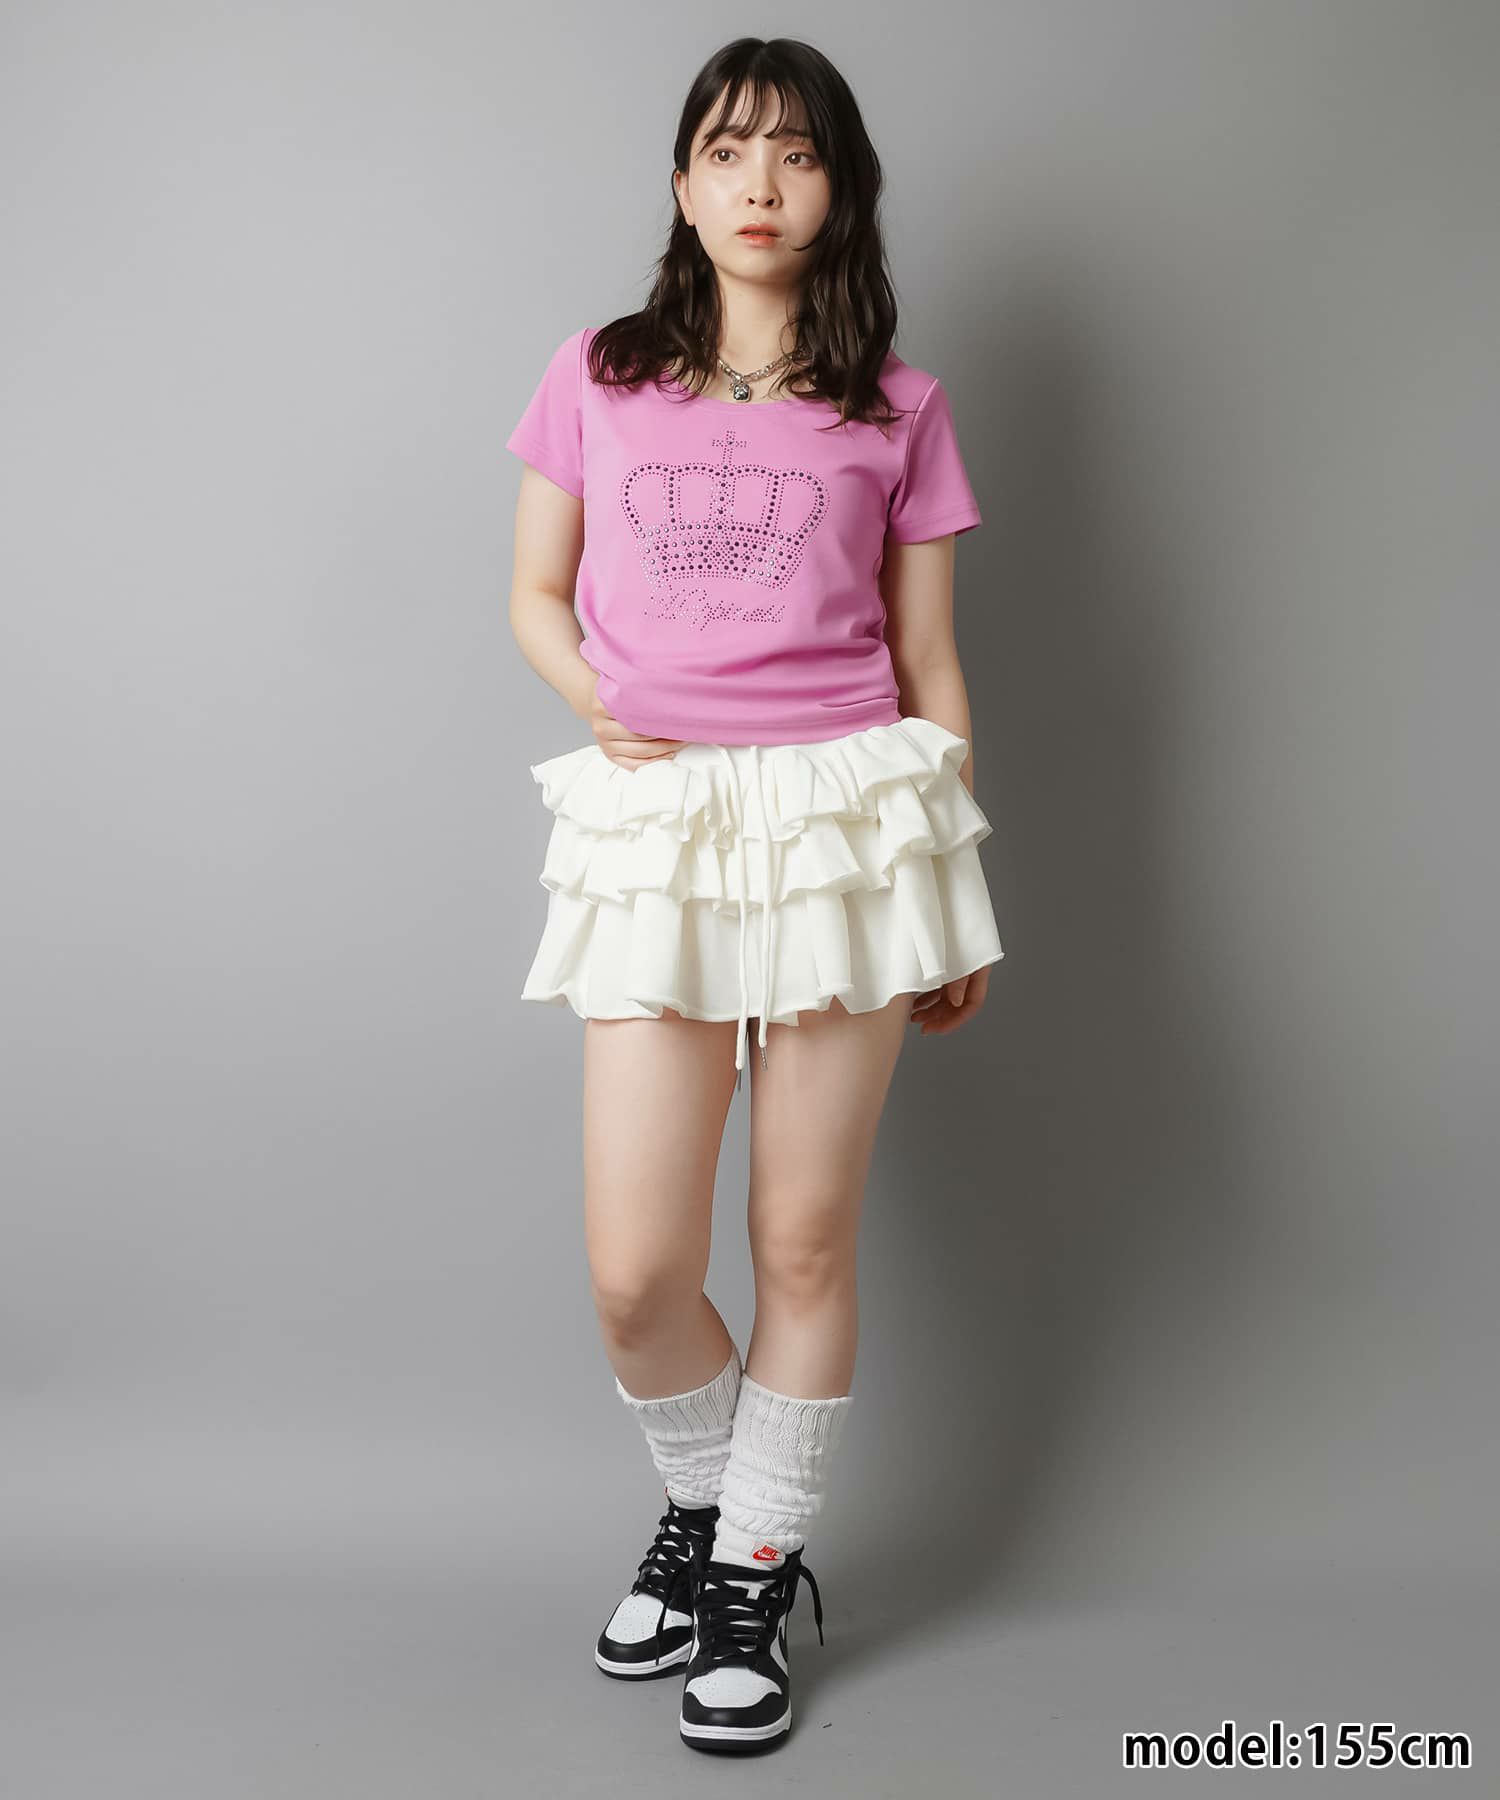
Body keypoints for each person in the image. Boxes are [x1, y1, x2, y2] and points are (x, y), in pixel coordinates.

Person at [505, 36, 1005, 1756]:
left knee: (799, 1235)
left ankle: (750, 1571)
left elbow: (932, 663)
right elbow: (533, 592)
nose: (760, 184)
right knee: (638, 1269)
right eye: (728, 150)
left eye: (796, 153)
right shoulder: (598, 372)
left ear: (839, 187)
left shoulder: (898, 407)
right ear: (682, 183)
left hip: (843, 823)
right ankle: (724, 1516)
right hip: (660, 824)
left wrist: (951, 880)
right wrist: (602, 702)